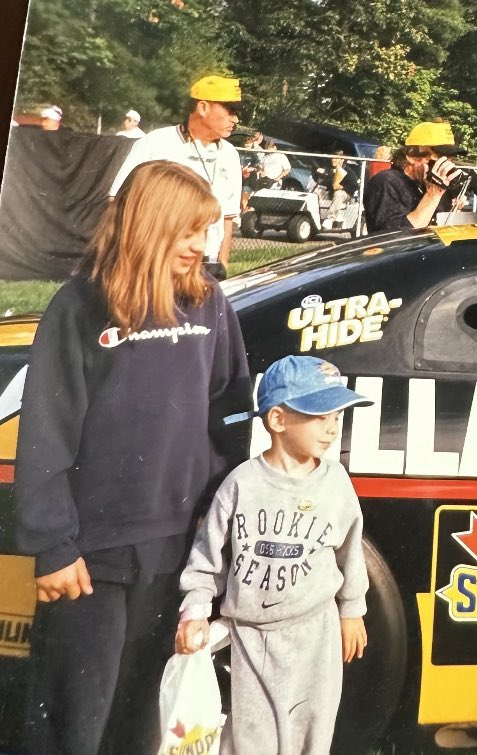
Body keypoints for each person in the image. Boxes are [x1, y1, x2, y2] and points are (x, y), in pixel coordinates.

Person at [14, 160, 252, 754]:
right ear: (152, 224)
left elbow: (230, 403)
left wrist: (216, 508)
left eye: (208, 231)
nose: (203, 247)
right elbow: (46, 430)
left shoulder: (208, 301)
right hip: (91, 555)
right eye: (191, 231)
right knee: (76, 720)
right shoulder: (81, 305)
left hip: (175, 548)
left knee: (143, 717)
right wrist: (53, 546)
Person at [176, 355, 371, 755]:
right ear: (278, 421)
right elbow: (207, 557)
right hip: (252, 637)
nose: (333, 428)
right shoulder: (241, 485)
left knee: (312, 735)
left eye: (337, 416)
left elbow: (351, 554)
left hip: (315, 633)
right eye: (320, 416)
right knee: (252, 740)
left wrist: (352, 611)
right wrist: (194, 611)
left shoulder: (335, 483)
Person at [109, 75, 244, 279]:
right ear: (203, 107)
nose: (235, 119)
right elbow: (117, 204)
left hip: (207, 267)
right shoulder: (154, 144)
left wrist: (222, 266)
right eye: (229, 110)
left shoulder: (230, 155)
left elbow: (227, 218)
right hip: (156, 265)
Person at [361, 121, 465, 233]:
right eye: (438, 158)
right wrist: (432, 195)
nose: (445, 165)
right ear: (412, 155)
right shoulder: (386, 181)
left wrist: (455, 209)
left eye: (449, 159)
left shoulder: (428, 186)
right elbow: (396, 235)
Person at [323, 152, 359, 228]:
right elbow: (325, 184)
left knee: (338, 193)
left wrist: (342, 187)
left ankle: (330, 218)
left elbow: (355, 186)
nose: (333, 160)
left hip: (345, 195)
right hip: (330, 193)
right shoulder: (329, 170)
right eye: (333, 158)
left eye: (336, 158)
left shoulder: (349, 172)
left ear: (342, 160)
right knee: (317, 191)